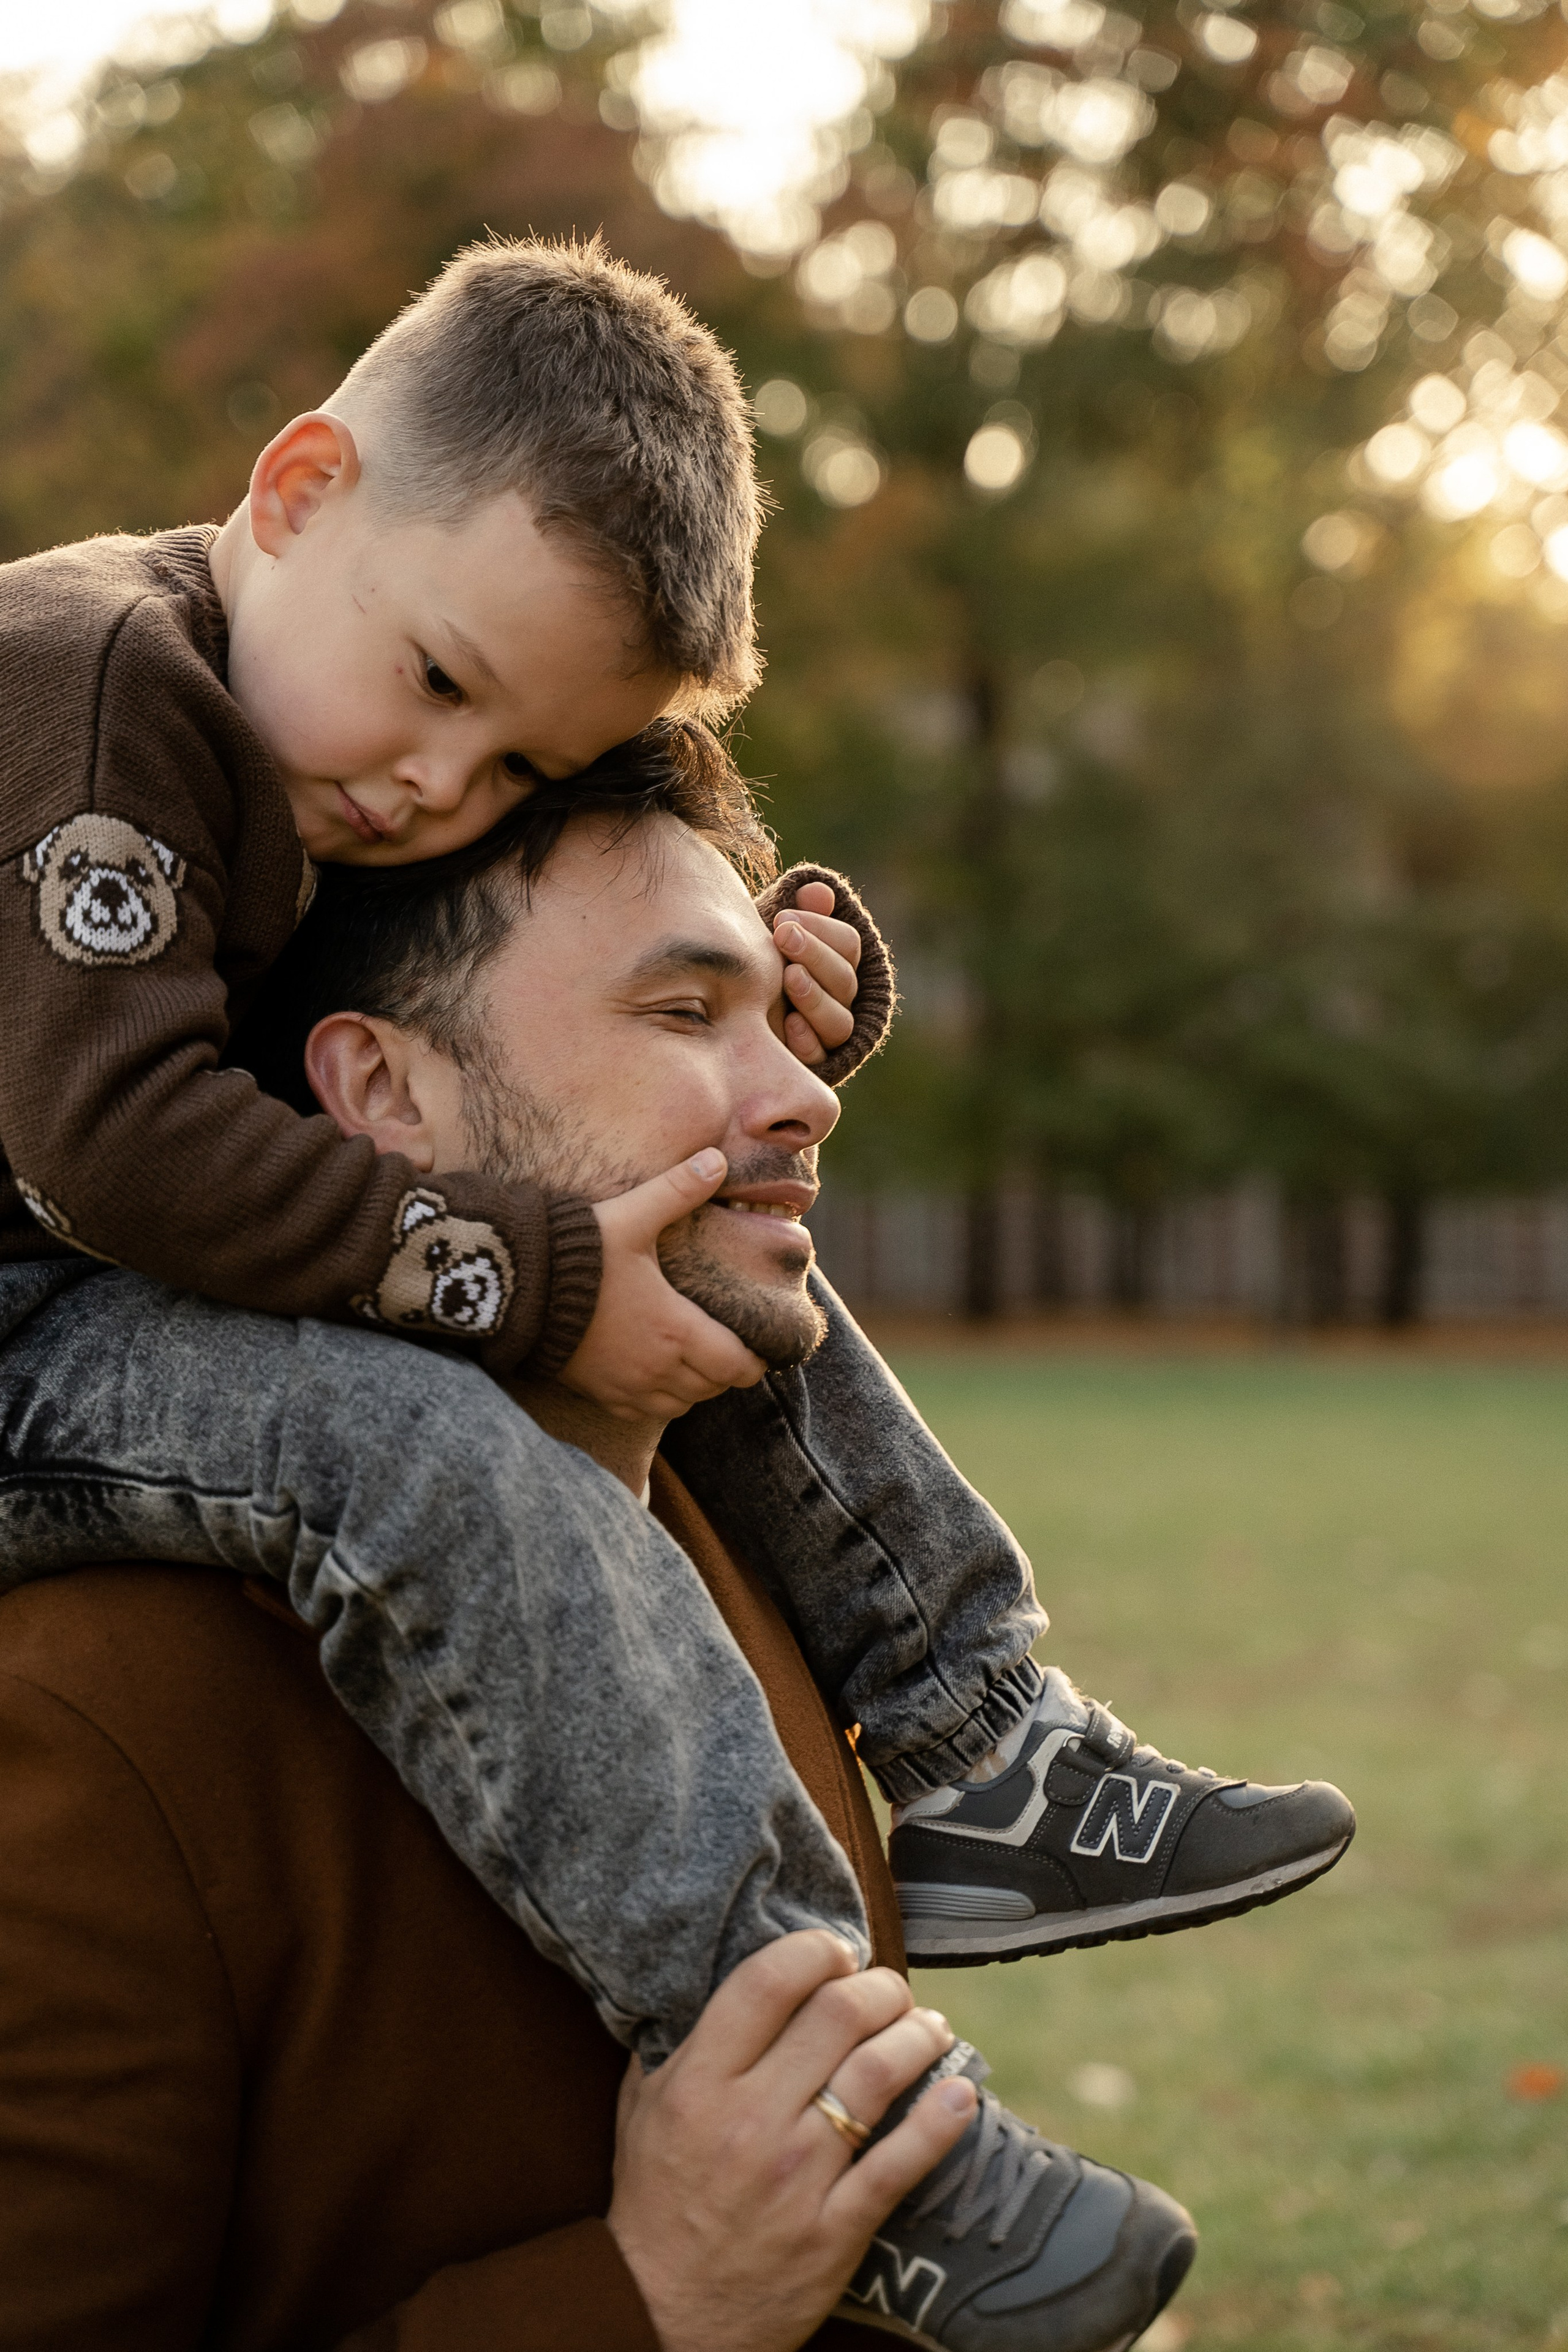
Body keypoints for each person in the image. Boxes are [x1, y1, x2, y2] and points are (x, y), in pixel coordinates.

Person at [0, 236, 1350, 2080]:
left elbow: (508, 994)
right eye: (442, 683)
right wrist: (535, 1271)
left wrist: (769, 993)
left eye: (516, 759)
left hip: (82, 1269)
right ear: (302, 489)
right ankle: (778, 2058)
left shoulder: (326, 723)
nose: (441, 788)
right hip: (29, 1311)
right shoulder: (93, 683)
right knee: (430, 1407)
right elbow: (122, 1143)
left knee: (691, 1217)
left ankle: (974, 1737)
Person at [0, 772, 1200, 2348]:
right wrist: (648, 2300)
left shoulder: (742, 1559)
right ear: (382, 1094)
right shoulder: (102, 1720)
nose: (806, 1093)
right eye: (686, 1011)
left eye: (779, 1011)